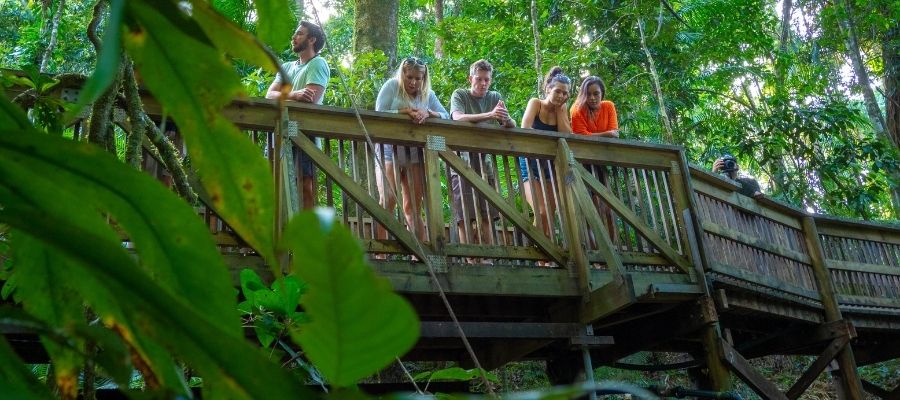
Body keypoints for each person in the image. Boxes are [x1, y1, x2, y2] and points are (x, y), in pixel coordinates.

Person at [374, 57, 449, 242]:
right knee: (388, 199)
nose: (413, 82)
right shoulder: (392, 86)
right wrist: (403, 112)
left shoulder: (427, 95)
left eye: (418, 78)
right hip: (388, 148)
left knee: (413, 206)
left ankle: (420, 254)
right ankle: (381, 252)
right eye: (409, 77)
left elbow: (447, 116)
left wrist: (430, 113)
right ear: (402, 74)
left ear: (424, 78)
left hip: (414, 153)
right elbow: (378, 112)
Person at [449, 59, 515, 250]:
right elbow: (458, 118)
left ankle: (489, 255)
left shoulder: (494, 97)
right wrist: (489, 115)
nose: (483, 83)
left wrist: (505, 118)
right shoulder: (460, 94)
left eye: (487, 79)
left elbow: (510, 124)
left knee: (487, 211)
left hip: (485, 161)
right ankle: (470, 256)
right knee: (464, 213)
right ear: (470, 78)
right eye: (479, 79)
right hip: (461, 160)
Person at [265, 21, 330, 209]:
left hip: (304, 131)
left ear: (312, 39)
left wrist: (284, 97)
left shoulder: (318, 63)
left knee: (305, 184)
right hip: (280, 128)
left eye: (300, 34)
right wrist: (294, 95)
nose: (294, 37)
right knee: (274, 179)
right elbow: (270, 95)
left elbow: (311, 98)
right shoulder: (287, 67)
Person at [519, 66, 573, 244]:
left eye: (565, 93)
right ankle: (539, 252)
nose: (561, 96)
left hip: (550, 165)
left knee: (549, 213)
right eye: (558, 91)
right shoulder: (536, 103)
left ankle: (544, 256)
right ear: (548, 89)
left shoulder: (561, 110)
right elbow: (525, 128)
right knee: (541, 211)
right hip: (530, 161)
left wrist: (560, 111)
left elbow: (566, 136)